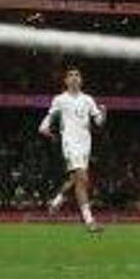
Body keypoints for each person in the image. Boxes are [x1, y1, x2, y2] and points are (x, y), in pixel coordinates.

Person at [39, 66, 105, 234]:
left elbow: (99, 122)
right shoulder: (60, 99)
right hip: (70, 142)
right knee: (82, 178)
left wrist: (103, 114)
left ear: (81, 80)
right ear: (66, 80)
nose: (74, 77)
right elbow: (51, 116)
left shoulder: (88, 99)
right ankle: (89, 221)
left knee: (77, 179)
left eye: (77, 75)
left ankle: (57, 200)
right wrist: (44, 127)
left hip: (85, 143)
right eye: (71, 75)